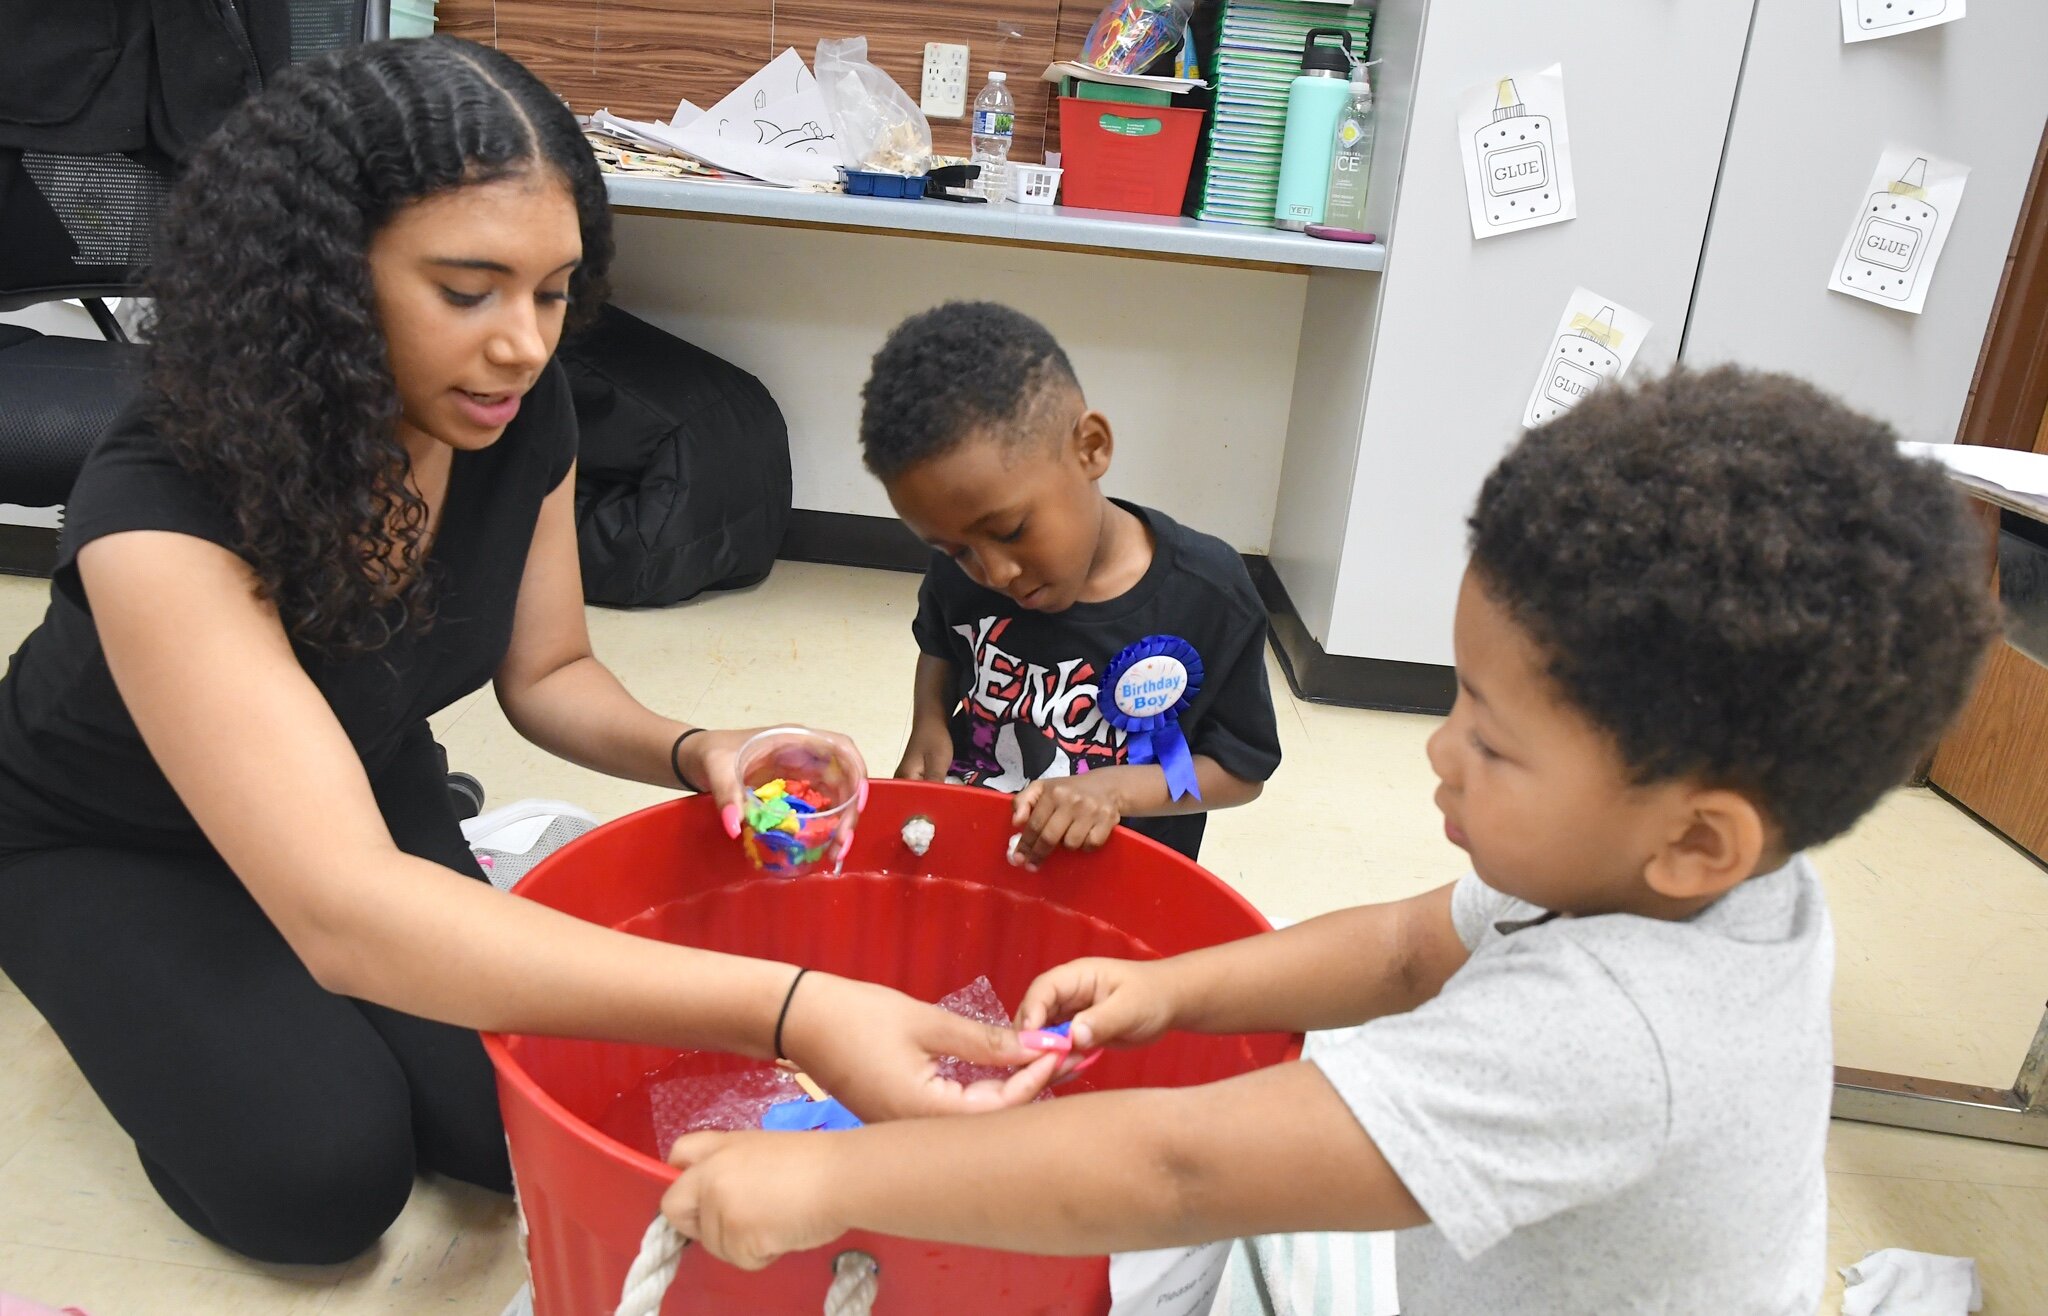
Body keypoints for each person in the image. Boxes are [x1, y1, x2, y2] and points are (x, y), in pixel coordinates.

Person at [0, 38, 1059, 1268]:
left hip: (360, 777)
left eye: (553, 291)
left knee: (505, 1124)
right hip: (111, 833)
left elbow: (547, 674)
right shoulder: (160, 501)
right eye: (468, 290)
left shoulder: (507, 414)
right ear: (321, 280)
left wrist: (698, 745)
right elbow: (347, 910)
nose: (524, 344)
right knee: (323, 1177)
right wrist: (795, 1009)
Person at [659, 367, 1999, 1313]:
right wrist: (1174, 987)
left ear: (1697, 838)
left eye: (1491, 736)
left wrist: (837, 1176)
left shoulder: (1605, 1032)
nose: (1434, 747)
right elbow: (1417, 946)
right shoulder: (1685, 884)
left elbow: (1179, 1172)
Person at [862, 302, 1282, 864]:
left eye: (1011, 529)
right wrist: (930, 724)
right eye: (955, 550)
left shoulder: (1208, 595)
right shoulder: (959, 568)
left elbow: (1236, 771)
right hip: (976, 856)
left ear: (1091, 448)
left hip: (1116, 881)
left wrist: (1116, 790)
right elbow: (940, 646)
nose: (995, 573)